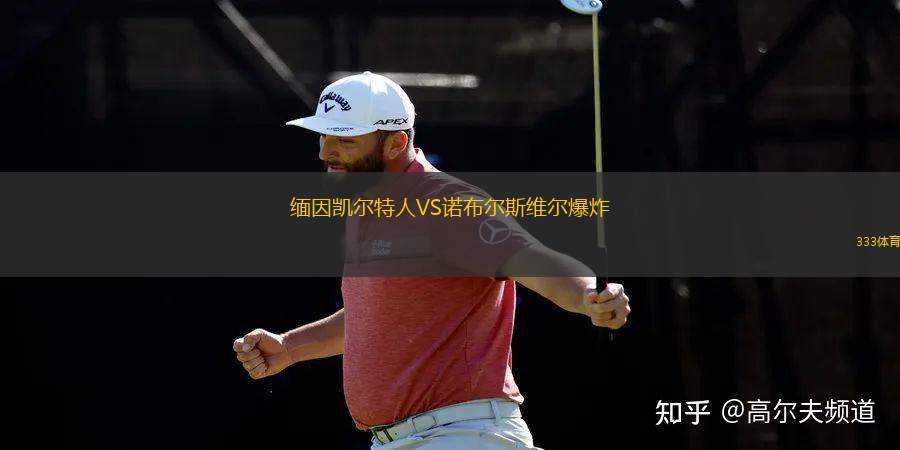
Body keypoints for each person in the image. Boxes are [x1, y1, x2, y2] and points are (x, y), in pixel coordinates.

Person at [232, 71, 631, 449]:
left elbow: (533, 261)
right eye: (324, 135)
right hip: (408, 439)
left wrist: (587, 296)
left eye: (346, 139)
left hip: (461, 435)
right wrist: (290, 347)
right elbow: (377, 316)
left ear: (395, 143)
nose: (326, 151)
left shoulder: (447, 203)